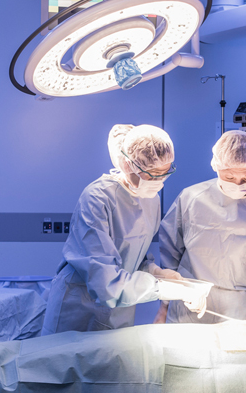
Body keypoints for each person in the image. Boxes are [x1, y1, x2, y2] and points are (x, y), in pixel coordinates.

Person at [42, 124, 207, 335]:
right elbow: (105, 283)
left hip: (121, 309)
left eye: (165, 173)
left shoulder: (151, 200)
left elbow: (134, 257)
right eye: (152, 174)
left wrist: (156, 272)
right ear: (128, 165)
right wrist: (164, 289)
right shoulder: (97, 198)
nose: (159, 182)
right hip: (79, 309)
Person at [157, 130, 246, 323]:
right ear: (216, 166)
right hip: (188, 309)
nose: (238, 184)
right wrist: (164, 306)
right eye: (230, 177)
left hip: (238, 313)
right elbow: (170, 257)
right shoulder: (192, 199)